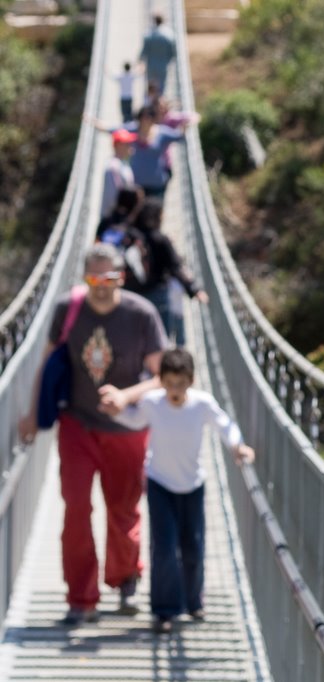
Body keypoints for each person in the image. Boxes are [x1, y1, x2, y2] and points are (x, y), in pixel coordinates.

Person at [18, 243, 167, 626]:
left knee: (123, 509)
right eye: (94, 278)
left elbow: (162, 376)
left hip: (127, 430)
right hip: (77, 425)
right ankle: (80, 598)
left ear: (123, 276)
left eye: (111, 278)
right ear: (85, 278)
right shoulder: (68, 309)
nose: (102, 286)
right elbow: (46, 364)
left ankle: (125, 579)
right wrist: (34, 414)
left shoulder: (142, 314)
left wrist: (126, 396)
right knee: (77, 508)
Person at [108, 348, 255, 634]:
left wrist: (238, 447)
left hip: (192, 485)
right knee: (163, 548)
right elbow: (134, 420)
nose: (175, 390)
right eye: (170, 383)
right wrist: (115, 412)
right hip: (160, 484)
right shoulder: (152, 403)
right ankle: (164, 609)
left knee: (193, 547)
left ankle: (193, 600)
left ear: (192, 380)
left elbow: (225, 426)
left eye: (182, 383)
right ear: (161, 380)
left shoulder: (202, 404)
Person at [127, 198, 209, 333]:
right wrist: (194, 290)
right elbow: (175, 267)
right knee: (159, 340)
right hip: (157, 296)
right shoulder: (160, 240)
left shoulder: (129, 236)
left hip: (131, 295)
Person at [100, 129, 136, 218]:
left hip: (122, 215)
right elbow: (112, 195)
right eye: (127, 144)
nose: (130, 147)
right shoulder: (113, 167)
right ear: (118, 146)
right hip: (114, 218)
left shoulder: (123, 163)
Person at [138, 13, 176, 96]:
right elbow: (172, 52)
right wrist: (168, 61)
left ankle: (151, 103)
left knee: (151, 85)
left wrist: (140, 60)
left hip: (151, 65)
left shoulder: (149, 34)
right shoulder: (168, 35)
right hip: (163, 65)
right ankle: (159, 102)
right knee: (162, 85)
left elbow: (145, 50)